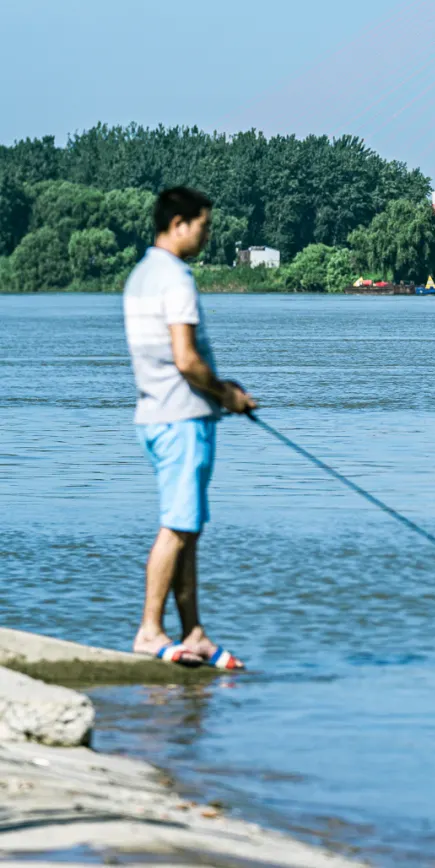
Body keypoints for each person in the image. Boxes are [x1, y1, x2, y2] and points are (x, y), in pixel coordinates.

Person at [123, 185, 257, 668]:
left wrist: (221, 391)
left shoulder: (140, 275)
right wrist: (227, 395)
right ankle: (149, 631)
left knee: (188, 528)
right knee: (177, 527)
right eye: (204, 225)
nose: (207, 235)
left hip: (155, 414)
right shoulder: (176, 278)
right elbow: (185, 359)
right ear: (178, 224)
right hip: (182, 418)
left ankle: (193, 632)